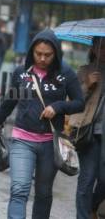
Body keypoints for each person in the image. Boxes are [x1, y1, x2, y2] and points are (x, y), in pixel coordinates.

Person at [0, 28, 84, 219]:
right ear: (32, 51)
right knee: (19, 189)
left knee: (43, 193)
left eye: (47, 55)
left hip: (50, 144)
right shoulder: (21, 73)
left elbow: (79, 103)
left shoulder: (66, 74)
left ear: (55, 53)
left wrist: (57, 107)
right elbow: (9, 102)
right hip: (22, 140)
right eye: (38, 53)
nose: (42, 58)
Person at [68, 37, 105, 219]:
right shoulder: (84, 72)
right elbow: (73, 102)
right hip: (90, 133)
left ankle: (92, 208)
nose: (104, 49)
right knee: (87, 180)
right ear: (94, 48)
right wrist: (87, 86)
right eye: (101, 46)